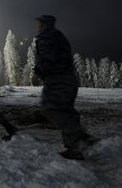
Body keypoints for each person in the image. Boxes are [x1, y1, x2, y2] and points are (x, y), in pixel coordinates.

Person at [33, 15, 97, 160]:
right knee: (67, 111)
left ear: (44, 24)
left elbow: (47, 57)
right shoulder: (59, 36)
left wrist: (38, 73)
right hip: (68, 80)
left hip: (58, 81)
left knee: (51, 109)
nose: (38, 26)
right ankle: (75, 148)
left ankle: (81, 140)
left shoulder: (47, 37)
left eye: (39, 23)